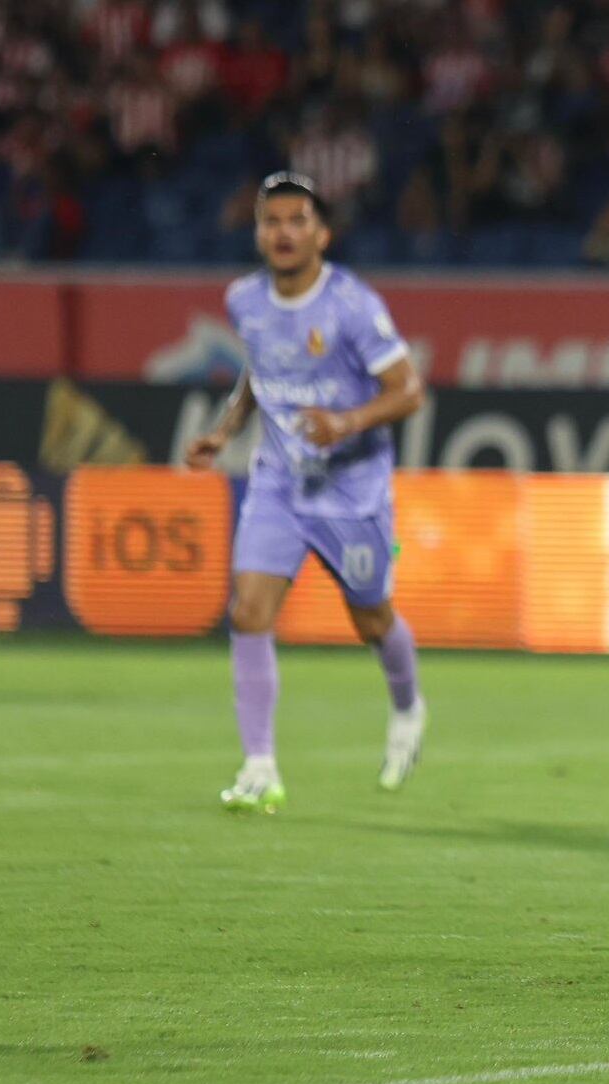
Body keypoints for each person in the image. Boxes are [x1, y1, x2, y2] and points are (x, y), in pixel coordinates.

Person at [183, 172, 428, 812]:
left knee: (371, 617)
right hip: (280, 483)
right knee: (248, 611)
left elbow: (409, 390)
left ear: (322, 233)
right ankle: (259, 766)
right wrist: (224, 430)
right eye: (272, 221)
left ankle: (407, 707)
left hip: (352, 492)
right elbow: (260, 371)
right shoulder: (244, 300)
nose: (284, 233)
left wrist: (345, 423)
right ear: (258, 232)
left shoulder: (351, 305)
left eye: (297, 221)